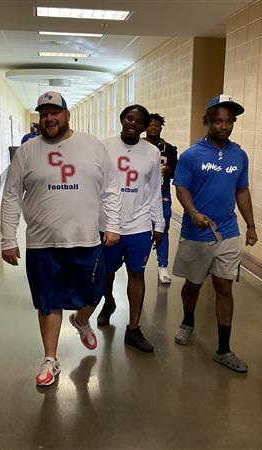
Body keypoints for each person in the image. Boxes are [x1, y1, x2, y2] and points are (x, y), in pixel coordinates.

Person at [0, 91, 121, 387]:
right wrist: (7, 239)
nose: (49, 118)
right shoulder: (28, 152)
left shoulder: (92, 146)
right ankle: (50, 359)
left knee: (95, 292)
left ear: (67, 115)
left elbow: (111, 188)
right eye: (44, 114)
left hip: (87, 239)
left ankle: (80, 320)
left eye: (55, 112)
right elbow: (12, 195)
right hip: (43, 244)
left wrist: (113, 224)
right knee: (48, 302)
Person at [172, 94, 258, 373]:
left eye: (229, 121)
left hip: (228, 231)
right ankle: (188, 321)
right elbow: (181, 187)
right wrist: (193, 212)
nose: (224, 126)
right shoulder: (191, 155)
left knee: (224, 287)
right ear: (208, 120)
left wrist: (251, 225)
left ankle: (223, 349)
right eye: (219, 121)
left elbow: (242, 190)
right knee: (193, 285)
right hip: (197, 231)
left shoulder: (239, 155)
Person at [96, 104, 165, 353]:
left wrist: (160, 224)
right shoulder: (104, 146)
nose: (132, 124)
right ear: (122, 119)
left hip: (139, 224)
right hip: (108, 224)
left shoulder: (152, 152)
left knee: (137, 274)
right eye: (128, 118)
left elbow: (155, 189)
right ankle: (108, 302)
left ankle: (133, 329)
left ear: (146, 127)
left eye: (139, 121)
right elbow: (95, 184)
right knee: (105, 273)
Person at [144, 113, 178, 284]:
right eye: (150, 124)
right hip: (140, 194)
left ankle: (162, 266)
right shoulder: (138, 145)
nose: (153, 128)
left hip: (162, 192)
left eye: (157, 125)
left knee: (162, 228)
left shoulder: (169, 149)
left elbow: (176, 173)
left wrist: (170, 170)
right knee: (141, 229)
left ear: (161, 127)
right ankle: (139, 265)